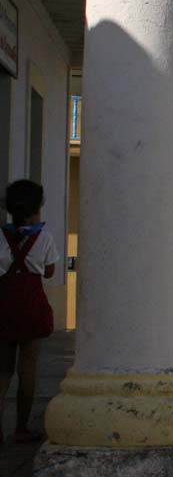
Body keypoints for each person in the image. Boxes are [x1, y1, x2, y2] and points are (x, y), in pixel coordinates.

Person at [0, 180, 58, 444]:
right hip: (32, 308)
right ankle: (21, 428)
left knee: (3, 371)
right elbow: (49, 271)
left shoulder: (1, 236)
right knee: (28, 369)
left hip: (4, 307)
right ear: (38, 209)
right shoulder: (44, 238)